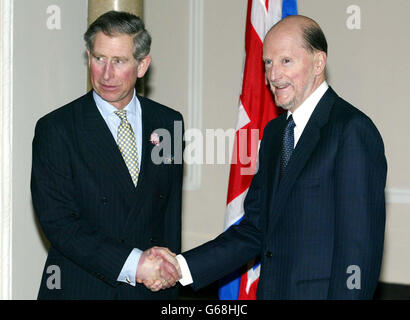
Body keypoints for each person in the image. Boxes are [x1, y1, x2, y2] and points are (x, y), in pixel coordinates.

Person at [148, 15, 387, 299]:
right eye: (268, 63)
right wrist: (181, 266)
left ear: (318, 63)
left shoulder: (351, 130)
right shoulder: (275, 133)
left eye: (286, 61)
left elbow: (358, 250)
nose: (273, 75)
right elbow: (255, 229)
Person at [31, 11, 183, 300]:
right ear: (88, 57)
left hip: (150, 291)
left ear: (142, 65)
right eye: (99, 58)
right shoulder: (57, 128)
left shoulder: (169, 123)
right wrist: (134, 264)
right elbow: (60, 223)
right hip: (81, 289)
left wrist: (166, 276)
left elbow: (169, 213)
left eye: (119, 61)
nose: (106, 73)